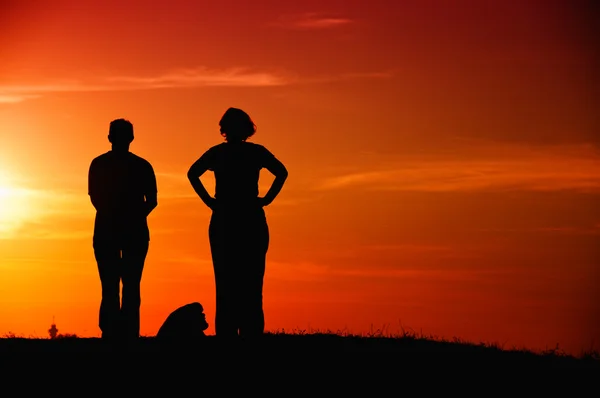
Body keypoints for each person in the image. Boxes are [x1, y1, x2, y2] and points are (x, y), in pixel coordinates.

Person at [187, 107, 288, 339]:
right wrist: (266, 200)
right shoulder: (256, 152)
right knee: (252, 283)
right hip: (247, 217)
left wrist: (210, 202)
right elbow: (282, 172)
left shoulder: (218, 153)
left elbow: (192, 173)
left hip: (227, 217)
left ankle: (228, 335)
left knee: (226, 283)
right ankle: (249, 335)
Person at [88, 118, 158, 343]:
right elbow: (152, 201)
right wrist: (136, 217)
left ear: (109, 137)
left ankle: (114, 334)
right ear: (131, 138)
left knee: (113, 285)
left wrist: (122, 216)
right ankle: (125, 334)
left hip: (112, 230)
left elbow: (96, 198)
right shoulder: (142, 165)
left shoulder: (99, 164)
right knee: (127, 285)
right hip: (129, 231)